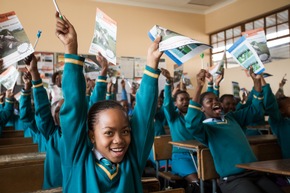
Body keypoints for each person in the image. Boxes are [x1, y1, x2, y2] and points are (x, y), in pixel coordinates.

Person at [55, 12, 163, 193]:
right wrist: (71, 48)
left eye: (125, 131)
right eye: (108, 133)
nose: (119, 140)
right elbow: (74, 107)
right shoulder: (77, 159)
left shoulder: (132, 160)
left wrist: (152, 63)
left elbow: (144, 115)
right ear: (91, 136)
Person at [185, 68, 284, 193]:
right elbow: (191, 123)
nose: (215, 102)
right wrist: (199, 86)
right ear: (202, 109)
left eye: (217, 99)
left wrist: (257, 82)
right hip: (233, 179)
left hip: (254, 171)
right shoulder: (205, 129)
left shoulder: (232, 118)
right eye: (209, 101)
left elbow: (255, 111)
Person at [161, 68, 199, 191]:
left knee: (212, 179)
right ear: (175, 103)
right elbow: (167, 104)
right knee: (198, 182)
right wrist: (168, 83)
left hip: (199, 155)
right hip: (181, 157)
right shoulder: (173, 118)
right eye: (181, 100)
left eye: (187, 99)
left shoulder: (195, 116)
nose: (185, 102)